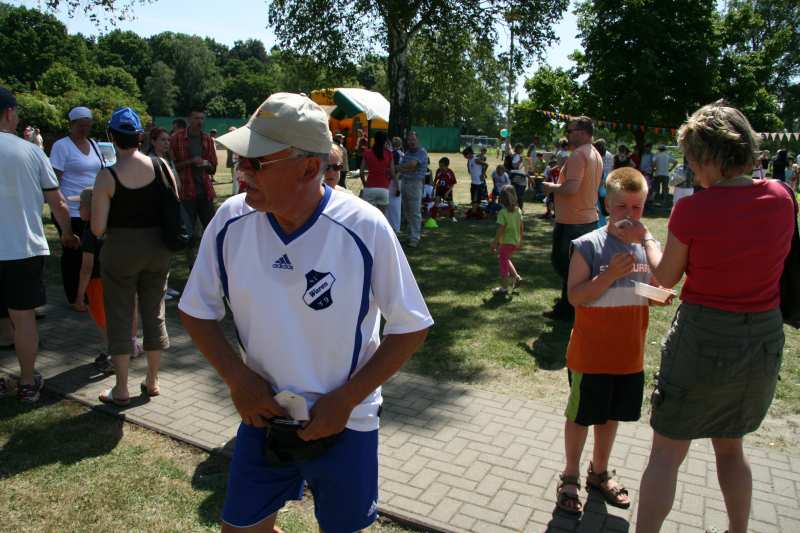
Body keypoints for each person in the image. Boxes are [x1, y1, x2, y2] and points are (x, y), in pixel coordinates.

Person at [178, 92, 433, 533]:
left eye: (257, 162)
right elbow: (196, 310)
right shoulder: (229, 221)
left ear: (309, 168)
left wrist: (346, 400)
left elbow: (411, 327)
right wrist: (238, 379)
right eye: (241, 159)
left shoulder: (364, 227)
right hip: (263, 414)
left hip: (345, 421)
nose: (241, 171)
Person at [617, 102, 794, 533]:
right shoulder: (781, 197)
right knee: (731, 449)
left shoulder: (694, 209)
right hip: (761, 342)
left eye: (693, 158)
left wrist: (647, 238)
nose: (691, 168)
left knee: (666, 454)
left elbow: (664, 279)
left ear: (713, 155)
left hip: (703, 338)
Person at [555, 167, 666, 515]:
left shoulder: (646, 248)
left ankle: (599, 472)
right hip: (590, 355)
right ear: (606, 204)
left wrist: (660, 296)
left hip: (628, 355)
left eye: (637, 207)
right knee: (581, 417)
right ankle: (570, 476)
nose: (629, 215)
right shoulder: (589, 245)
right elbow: (576, 296)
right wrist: (609, 275)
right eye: (621, 206)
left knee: (610, 417)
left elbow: (645, 291)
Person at [0, 87, 79, 402]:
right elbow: (58, 202)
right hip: (23, 248)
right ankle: (27, 381)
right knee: (24, 319)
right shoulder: (31, 152)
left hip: (18, 248)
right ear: (9, 112)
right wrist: (67, 233)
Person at [91, 107, 174, 405]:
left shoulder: (107, 176)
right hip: (158, 250)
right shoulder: (162, 166)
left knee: (119, 315)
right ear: (140, 137)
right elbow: (173, 207)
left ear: (112, 137)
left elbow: (98, 228)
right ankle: (152, 380)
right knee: (154, 312)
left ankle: (121, 388)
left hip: (121, 252)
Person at [542, 117, 603, 321]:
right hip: (587, 219)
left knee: (563, 263)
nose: (567, 134)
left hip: (572, 221)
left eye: (570, 131)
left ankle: (571, 306)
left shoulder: (578, 155)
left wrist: (550, 187)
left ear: (583, 132)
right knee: (576, 266)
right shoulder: (595, 153)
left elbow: (571, 188)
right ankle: (569, 303)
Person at [49, 106, 107, 304]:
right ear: (71, 125)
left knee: (92, 255)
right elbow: (54, 179)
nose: (84, 130)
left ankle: (89, 294)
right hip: (70, 209)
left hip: (92, 208)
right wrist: (58, 206)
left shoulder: (94, 144)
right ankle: (74, 296)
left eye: (87, 125)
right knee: (74, 254)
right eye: (81, 126)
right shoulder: (62, 146)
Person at [170, 108, 218, 247]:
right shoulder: (176, 139)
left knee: (212, 229)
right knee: (188, 234)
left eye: (202, 118)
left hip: (205, 191)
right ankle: (191, 260)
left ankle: (213, 256)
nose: (200, 121)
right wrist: (190, 161)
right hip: (185, 192)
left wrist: (206, 164)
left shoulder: (207, 139)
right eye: (196, 118)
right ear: (189, 120)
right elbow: (171, 167)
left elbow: (213, 169)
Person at [146, 127, 181, 301]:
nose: (167, 143)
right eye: (162, 140)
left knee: (167, 250)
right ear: (153, 142)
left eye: (168, 140)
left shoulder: (168, 160)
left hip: (170, 210)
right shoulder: (149, 161)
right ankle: (157, 288)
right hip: (158, 213)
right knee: (157, 251)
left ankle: (165, 285)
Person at [490, 185, 523, 295]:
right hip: (514, 242)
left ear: (502, 199)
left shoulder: (502, 213)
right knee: (504, 258)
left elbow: (501, 229)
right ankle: (517, 277)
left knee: (503, 264)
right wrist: (520, 240)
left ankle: (504, 288)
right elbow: (521, 226)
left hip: (506, 242)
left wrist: (495, 242)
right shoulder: (518, 211)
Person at [399, 131, 428, 248]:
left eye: (413, 140)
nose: (411, 142)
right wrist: (404, 168)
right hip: (405, 182)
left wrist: (400, 167)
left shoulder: (422, 152)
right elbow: (407, 167)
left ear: (418, 140)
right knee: (407, 211)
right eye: (409, 140)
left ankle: (415, 238)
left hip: (415, 184)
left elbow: (412, 165)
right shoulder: (407, 153)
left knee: (415, 212)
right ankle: (409, 236)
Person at [359, 130, 395, 214]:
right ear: (385, 141)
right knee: (381, 217)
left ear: (375, 140)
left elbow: (361, 172)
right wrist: (387, 181)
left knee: (367, 215)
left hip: (370, 187)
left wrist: (365, 183)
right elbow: (392, 173)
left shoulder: (367, 152)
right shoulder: (389, 153)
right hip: (384, 189)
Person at [387, 136, 403, 233]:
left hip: (393, 181)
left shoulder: (393, 153)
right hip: (398, 180)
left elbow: (395, 169)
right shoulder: (402, 154)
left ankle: (392, 226)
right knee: (396, 206)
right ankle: (396, 227)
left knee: (390, 205)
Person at [432, 157, 457, 221]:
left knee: (450, 203)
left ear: (447, 166)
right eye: (439, 165)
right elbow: (435, 180)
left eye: (442, 166)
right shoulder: (438, 171)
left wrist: (447, 193)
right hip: (439, 188)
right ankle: (433, 217)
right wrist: (433, 189)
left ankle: (452, 217)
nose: (440, 167)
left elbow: (452, 184)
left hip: (447, 190)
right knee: (437, 201)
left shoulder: (450, 173)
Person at [507, 143, 529, 211]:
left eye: (522, 148)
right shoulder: (516, 156)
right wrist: (520, 161)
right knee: (518, 196)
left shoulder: (518, 156)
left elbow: (524, 168)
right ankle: (518, 209)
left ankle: (519, 209)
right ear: (517, 149)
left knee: (518, 195)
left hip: (520, 177)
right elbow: (515, 166)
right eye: (521, 148)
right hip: (517, 177)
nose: (522, 150)